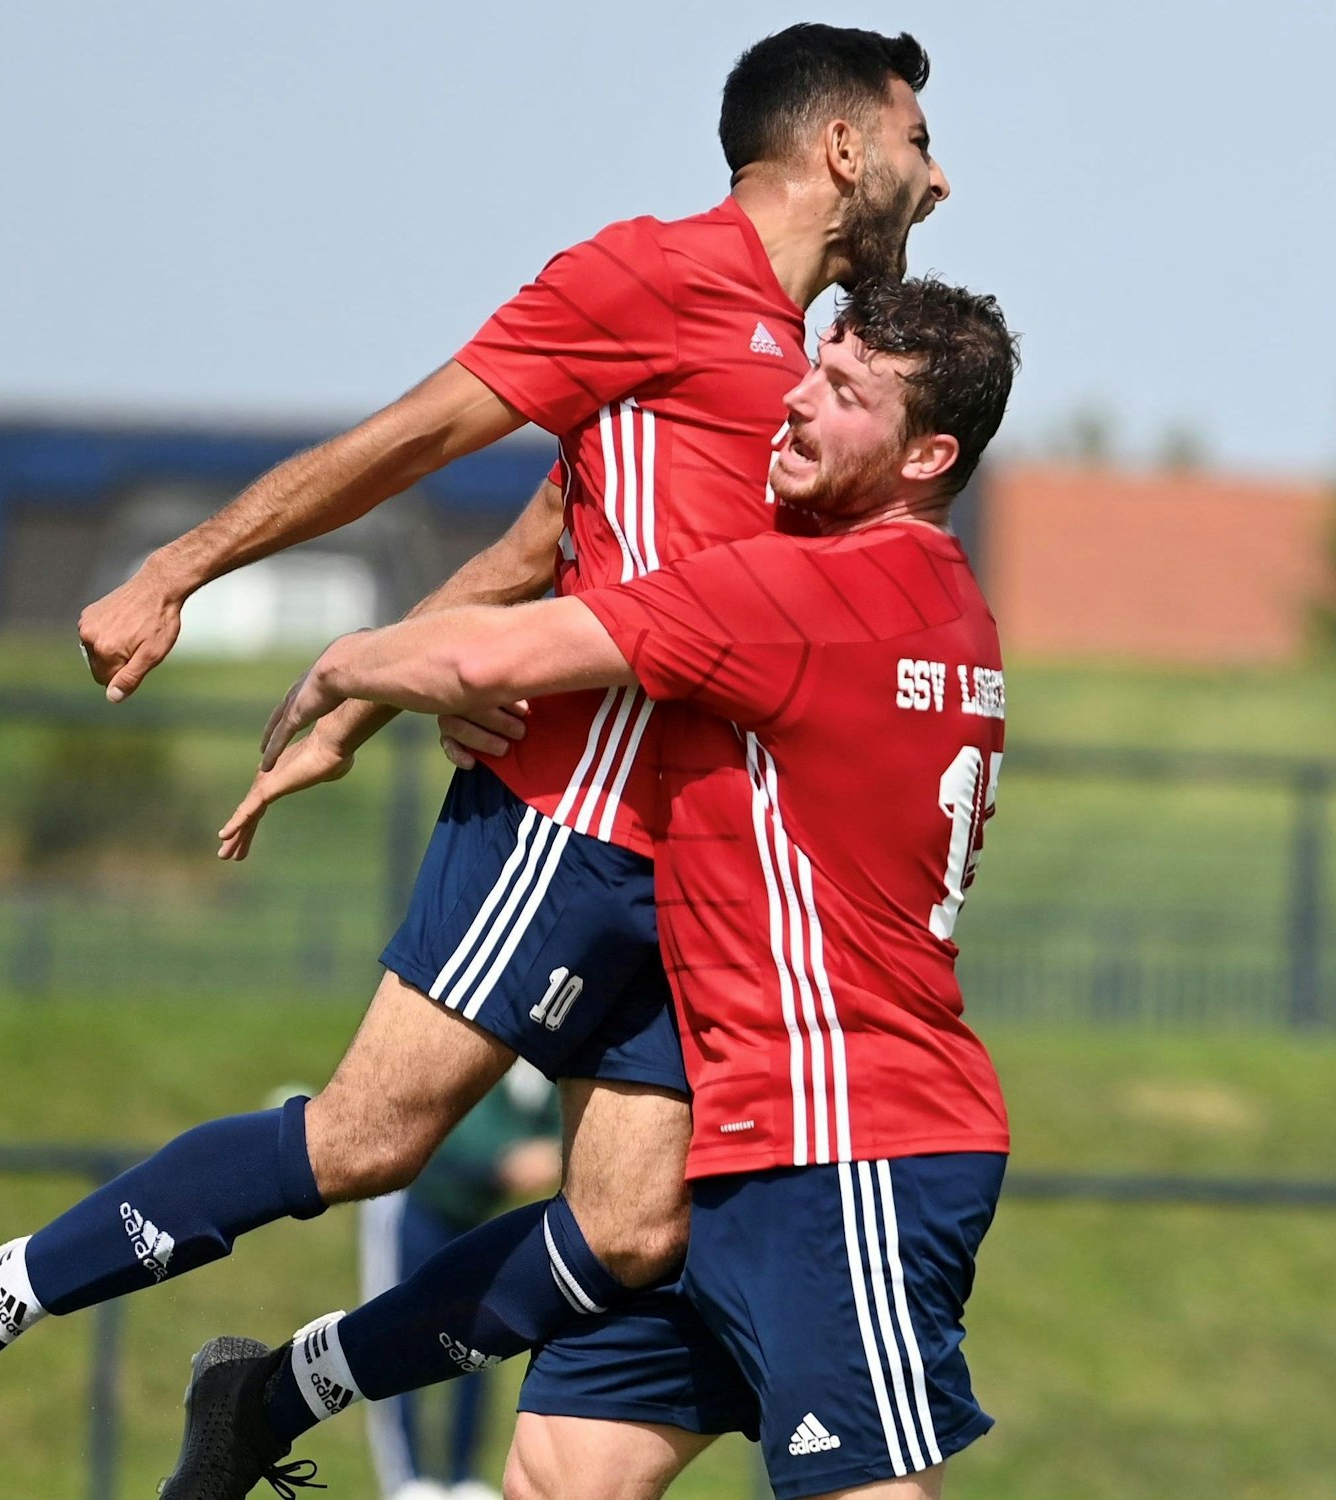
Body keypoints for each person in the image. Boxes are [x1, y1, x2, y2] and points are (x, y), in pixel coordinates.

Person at [0, 26, 951, 1493]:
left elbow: (539, 542)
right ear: (844, 148)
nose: (941, 178)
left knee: (630, 1228)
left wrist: (357, 715)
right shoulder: (651, 272)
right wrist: (177, 569)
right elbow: (413, 438)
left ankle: (270, 1395)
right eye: (920, 141)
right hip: (569, 822)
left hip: (699, 877)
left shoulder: (802, 377)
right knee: (367, 1140)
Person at [195, 274, 1019, 1500]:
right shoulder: (926, 598)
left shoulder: (813, 594)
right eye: (812, 364)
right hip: (727, 1151)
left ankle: (272, 1394)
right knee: (560, 1475)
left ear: (927, 457)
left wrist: (343, 673)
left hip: (846, 1147)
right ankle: (276, 1396)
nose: (795, 399)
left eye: (845, 392)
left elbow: (487, 651)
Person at [363, 1061, 560, 1500]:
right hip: (417, 1199)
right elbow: (437, 1115)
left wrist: (556, 1153)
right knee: (392, 1334)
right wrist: (504, 1157)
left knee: (479, 1338)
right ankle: (407, 1479)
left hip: (477, 1213)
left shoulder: (554, 1063)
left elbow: (568, 1125)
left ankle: (462, 1476)